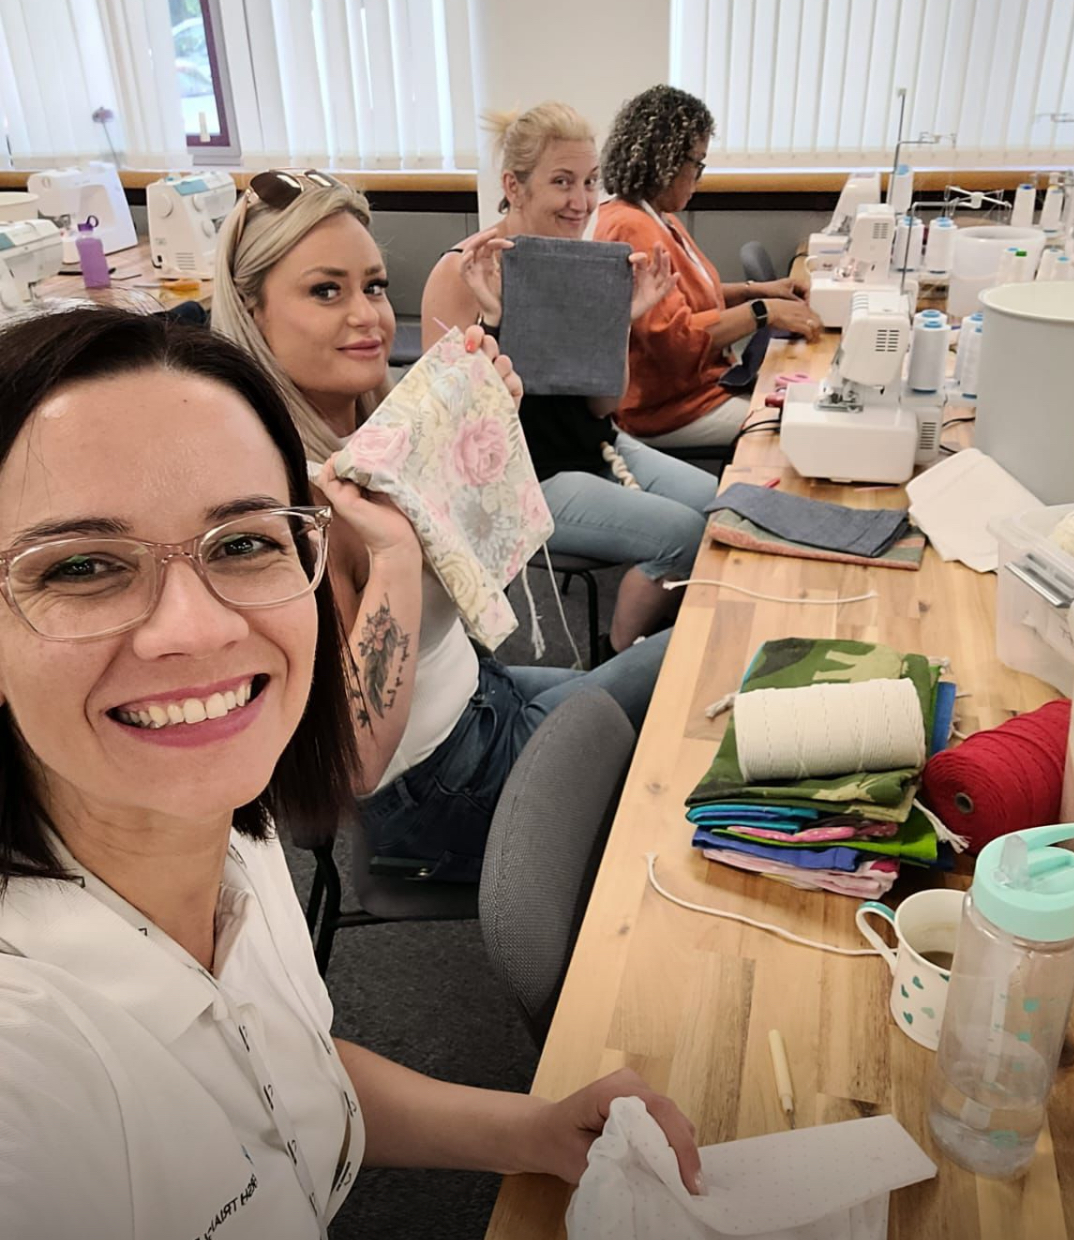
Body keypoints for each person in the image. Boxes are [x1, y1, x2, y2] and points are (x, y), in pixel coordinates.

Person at [0, 306, 701, 1238]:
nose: (197, 628)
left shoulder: (235, 846)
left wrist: (531, 1130)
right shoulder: (29, 1087)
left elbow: (292, 1074)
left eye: (243, 543)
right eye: (84, 566)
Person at [211, 172, 671, 881]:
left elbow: (469, 576)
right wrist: (395, 552)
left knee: (701, 655)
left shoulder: (377, 433)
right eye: (325, 291)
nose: (368, 315)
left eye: (372, 286)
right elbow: (354, 763)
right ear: (252, 311)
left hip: (482, 697)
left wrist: (477, 434)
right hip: (439, 786)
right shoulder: (286, 506)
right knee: (696, 678)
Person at [421, 102, 718, 654]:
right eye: (562, 182)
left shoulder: (574, 264)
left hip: (590, 445)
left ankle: (647, 648)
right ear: (515, 185)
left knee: (714, 504)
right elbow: (452, 430)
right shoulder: (463, 270)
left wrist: (618, 326)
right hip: (524, 475)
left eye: (589, 182)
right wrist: (493, 321)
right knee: (683, 535)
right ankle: (619, 658)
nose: (581, 201)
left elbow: (603, 406)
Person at [594, 84, 824, 449]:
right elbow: (674, 340)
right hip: (669, 408)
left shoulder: (656, 217)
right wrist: (761, 312)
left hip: (701, 386)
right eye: (696, 164)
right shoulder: (631, 227)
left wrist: (755, 291)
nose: (699, 176)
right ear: (665, 161)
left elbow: (684, 299)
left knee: (800, 408)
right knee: (795, 433)